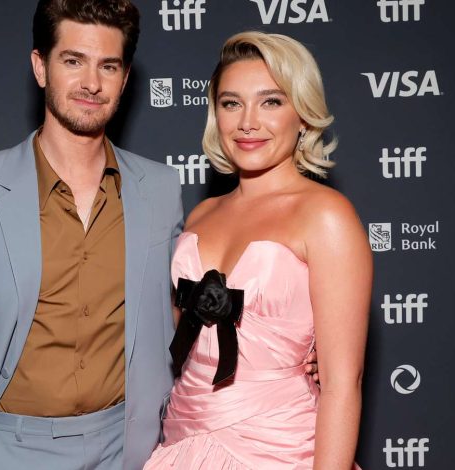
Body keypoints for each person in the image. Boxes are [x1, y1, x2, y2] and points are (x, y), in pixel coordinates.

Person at [0, 1, 184, 469]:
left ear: (125, 78)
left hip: (128, 448)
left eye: (108, 66)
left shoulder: (160, 188)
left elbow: (180, 317)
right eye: (73, 61)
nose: (92, 83)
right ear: (41, 66)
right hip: (7, 450)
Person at [144, 32, 372, 469]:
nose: (248, 122)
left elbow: (344, 384)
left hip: (282, 449)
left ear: (302, 115)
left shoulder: (326, 216)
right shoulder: (201, 215)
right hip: (183, 440)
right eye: (232, 103)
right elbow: (181, 342)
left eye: (270, 102)